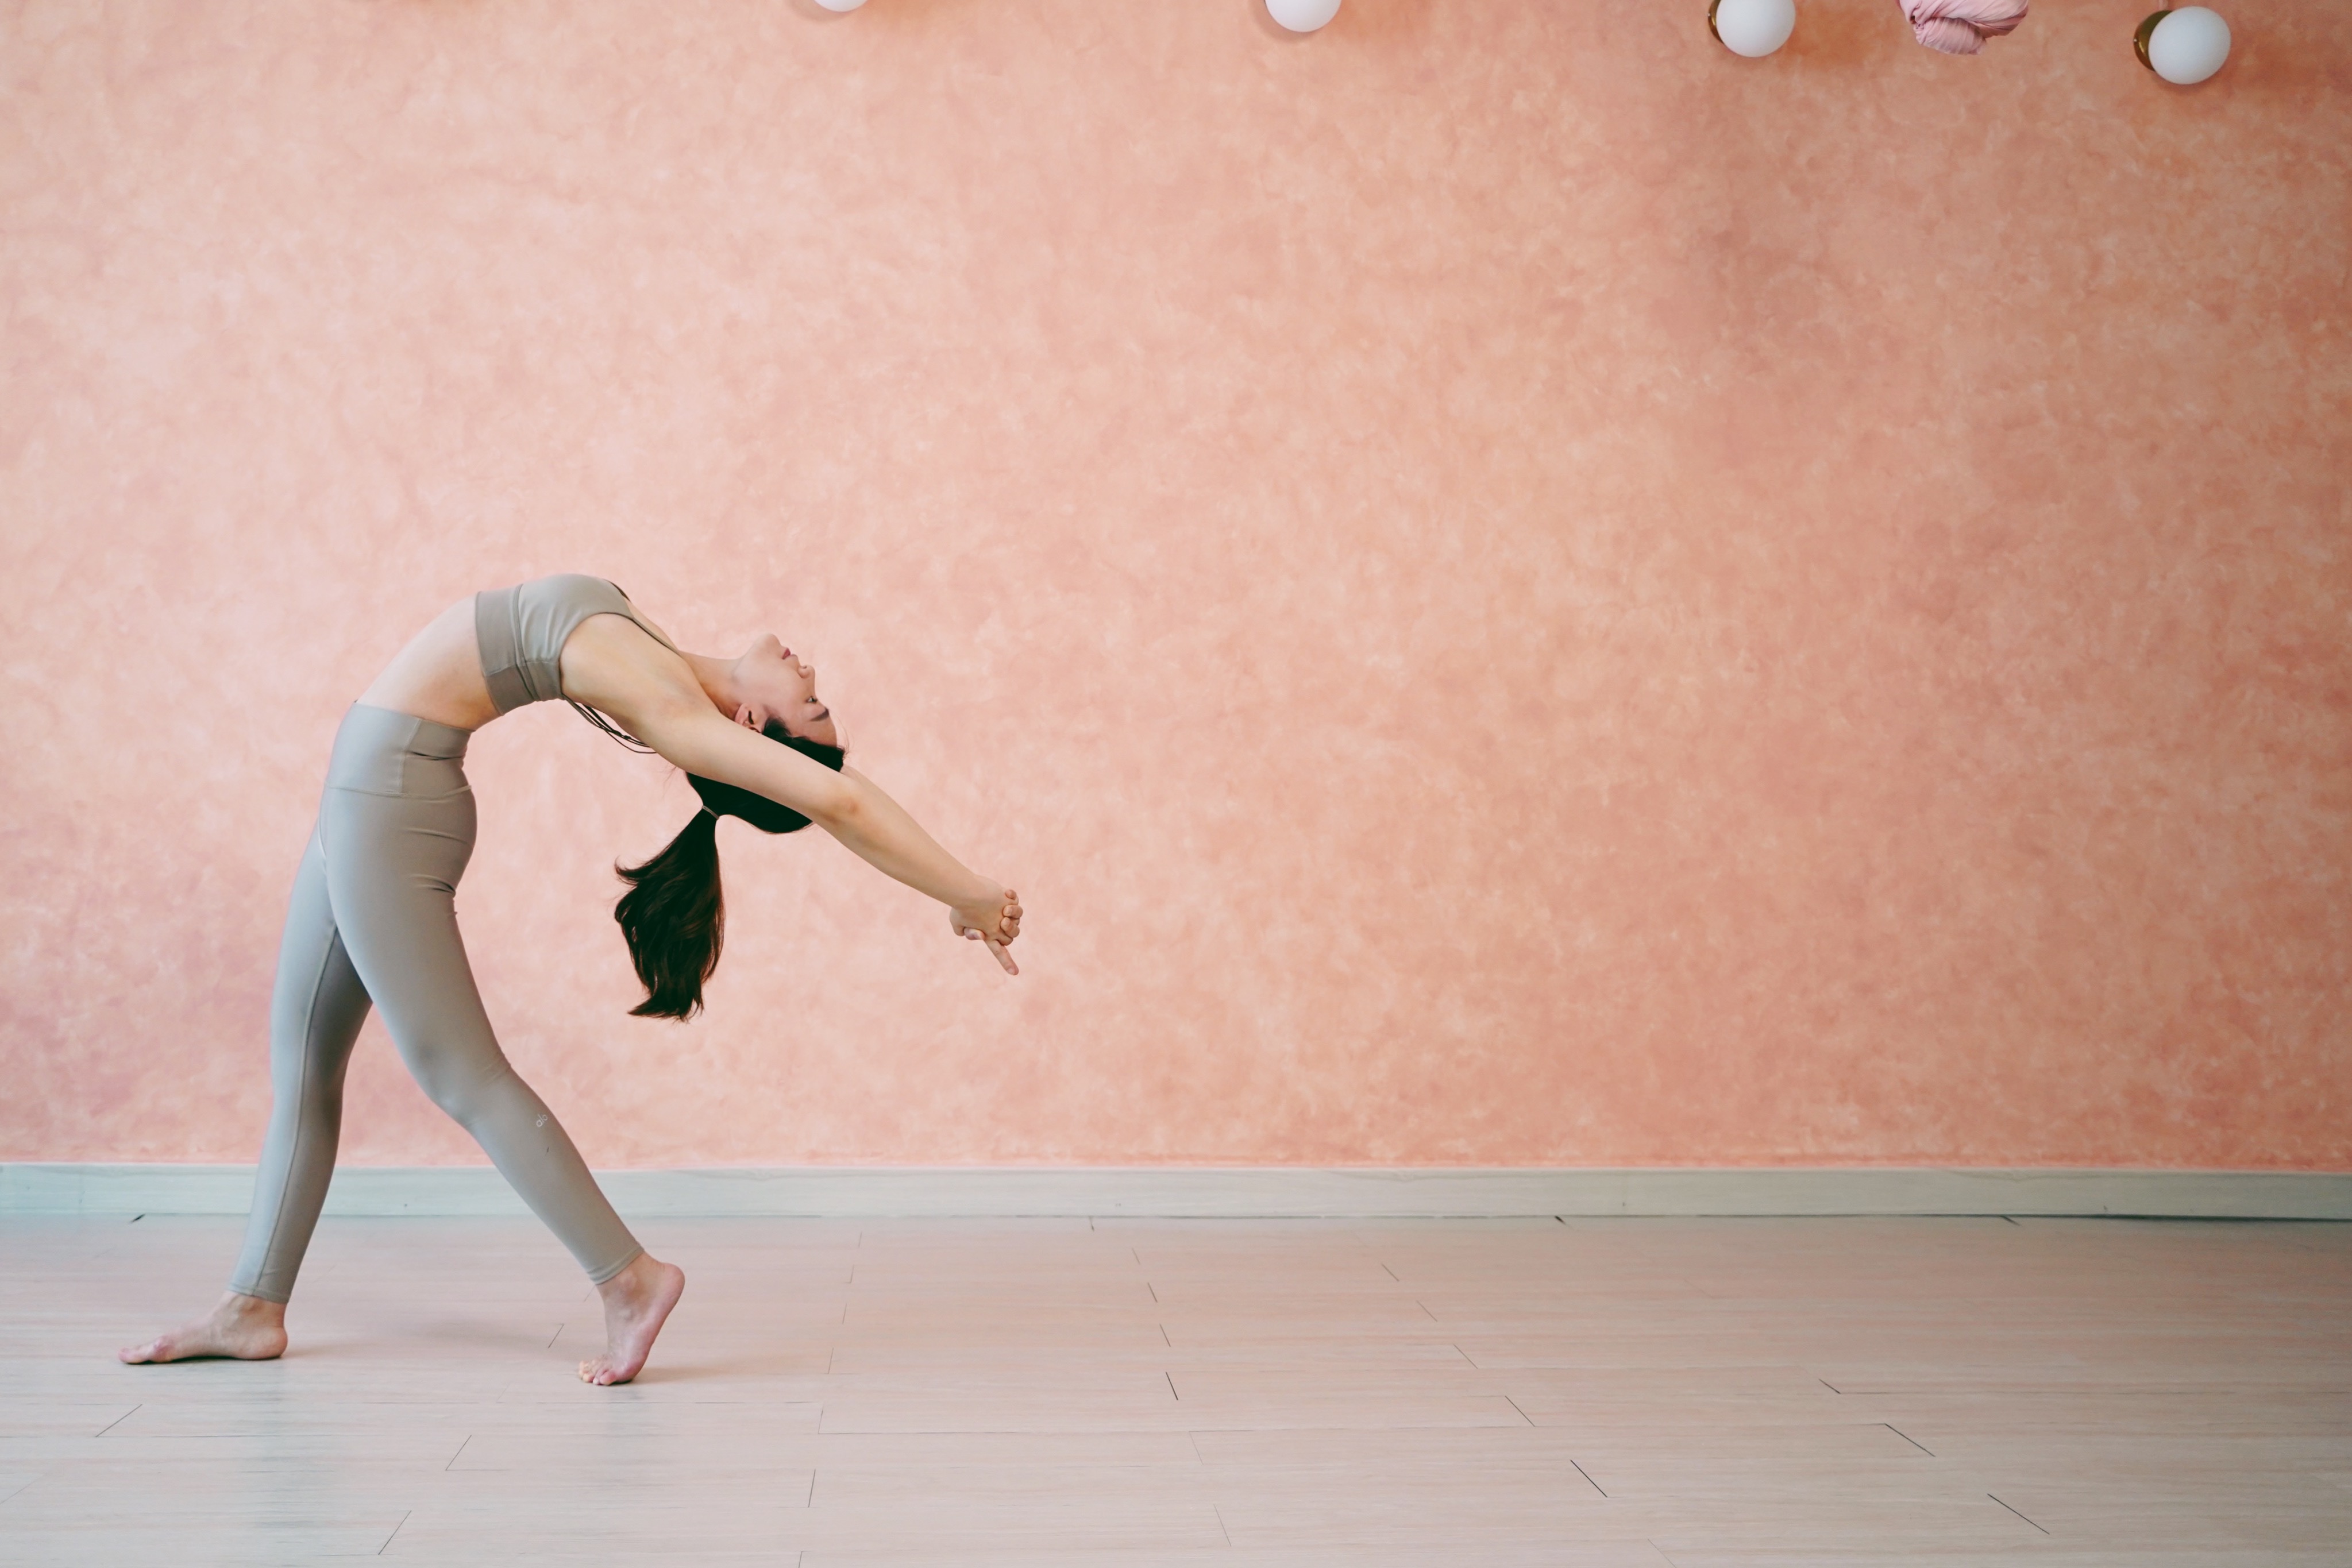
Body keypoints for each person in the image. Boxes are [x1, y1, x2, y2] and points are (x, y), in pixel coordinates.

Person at [118, 575, 1021, 1384]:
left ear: (754, 726)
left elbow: (841, 801)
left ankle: (630, 1280)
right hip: (365, 802)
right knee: (305, 1066)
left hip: (389, 804)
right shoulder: (664, 660)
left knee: (460, 1074)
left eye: (811, 701)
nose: (809, 670)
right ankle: (252, 1308)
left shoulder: (671, 706)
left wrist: (969, 893)